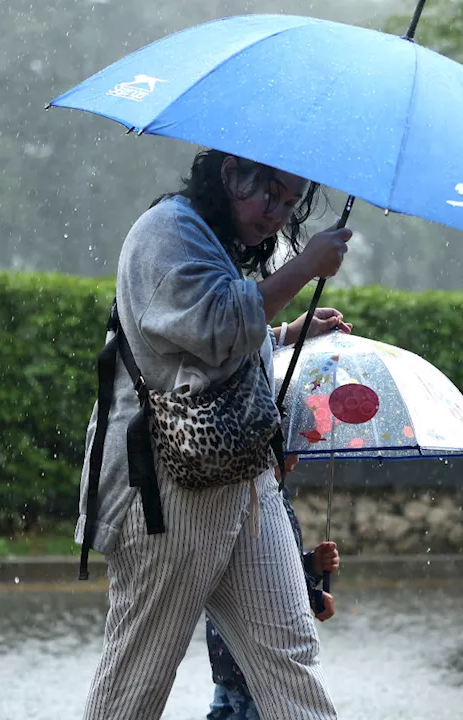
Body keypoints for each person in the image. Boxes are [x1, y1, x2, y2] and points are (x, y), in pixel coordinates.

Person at [77, 147, 353, 719]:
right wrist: (305, 269)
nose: (278, 214)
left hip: (245, 482)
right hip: (168, 486)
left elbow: (213, 356)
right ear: (230, 172)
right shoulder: (167, 232)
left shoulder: (216, 242)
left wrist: (284, 334)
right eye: (269, 193)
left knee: (288, 655)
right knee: (140, 672)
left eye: (291, 201)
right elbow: (216, 327)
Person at [206, 475, 340, 720]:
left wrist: (312, 566)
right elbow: (259, 577)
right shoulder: (240, 498)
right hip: (250, 656)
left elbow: (281, 574)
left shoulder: (278, 498)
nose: (295, 457)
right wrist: (313, 595)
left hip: (232, 658)